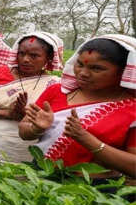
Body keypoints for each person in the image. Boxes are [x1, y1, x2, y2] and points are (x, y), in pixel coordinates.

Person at [19, 35, 136, 179]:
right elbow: (24, 130)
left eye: (96, 68)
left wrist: (86, 139)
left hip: (94, 190)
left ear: (124, 71)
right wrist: (36, 129)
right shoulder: (57, 91)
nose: (83, 73)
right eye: (80, 64)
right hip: (40, 176)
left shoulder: (132, 109)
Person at [0, 31, 63, 164]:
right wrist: (8, 113)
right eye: (22, 53)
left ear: (48, 58)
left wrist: (26, 113)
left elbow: (54, 119)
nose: (26, 59)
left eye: (34, 55)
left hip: (26, 146)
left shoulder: (53, 83)